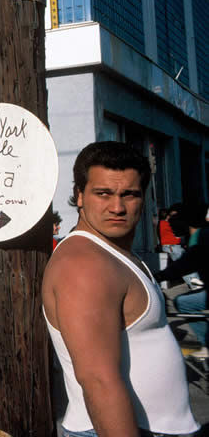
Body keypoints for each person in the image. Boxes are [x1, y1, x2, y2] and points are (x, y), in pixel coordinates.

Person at [41, 141, 200, 437]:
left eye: (129, 194)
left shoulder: (112, 252)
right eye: (103, 194)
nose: (117, 207)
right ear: (79, 196)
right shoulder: (85, 264)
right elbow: (98, 380)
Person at [157, 202, 208, 359]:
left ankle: (206, 345)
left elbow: (186, 264)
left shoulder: (202, 237)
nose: (169, 222)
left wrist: (156, 276)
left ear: (188, 219)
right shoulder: (198, 236)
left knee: (184, 303)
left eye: (174, 217)